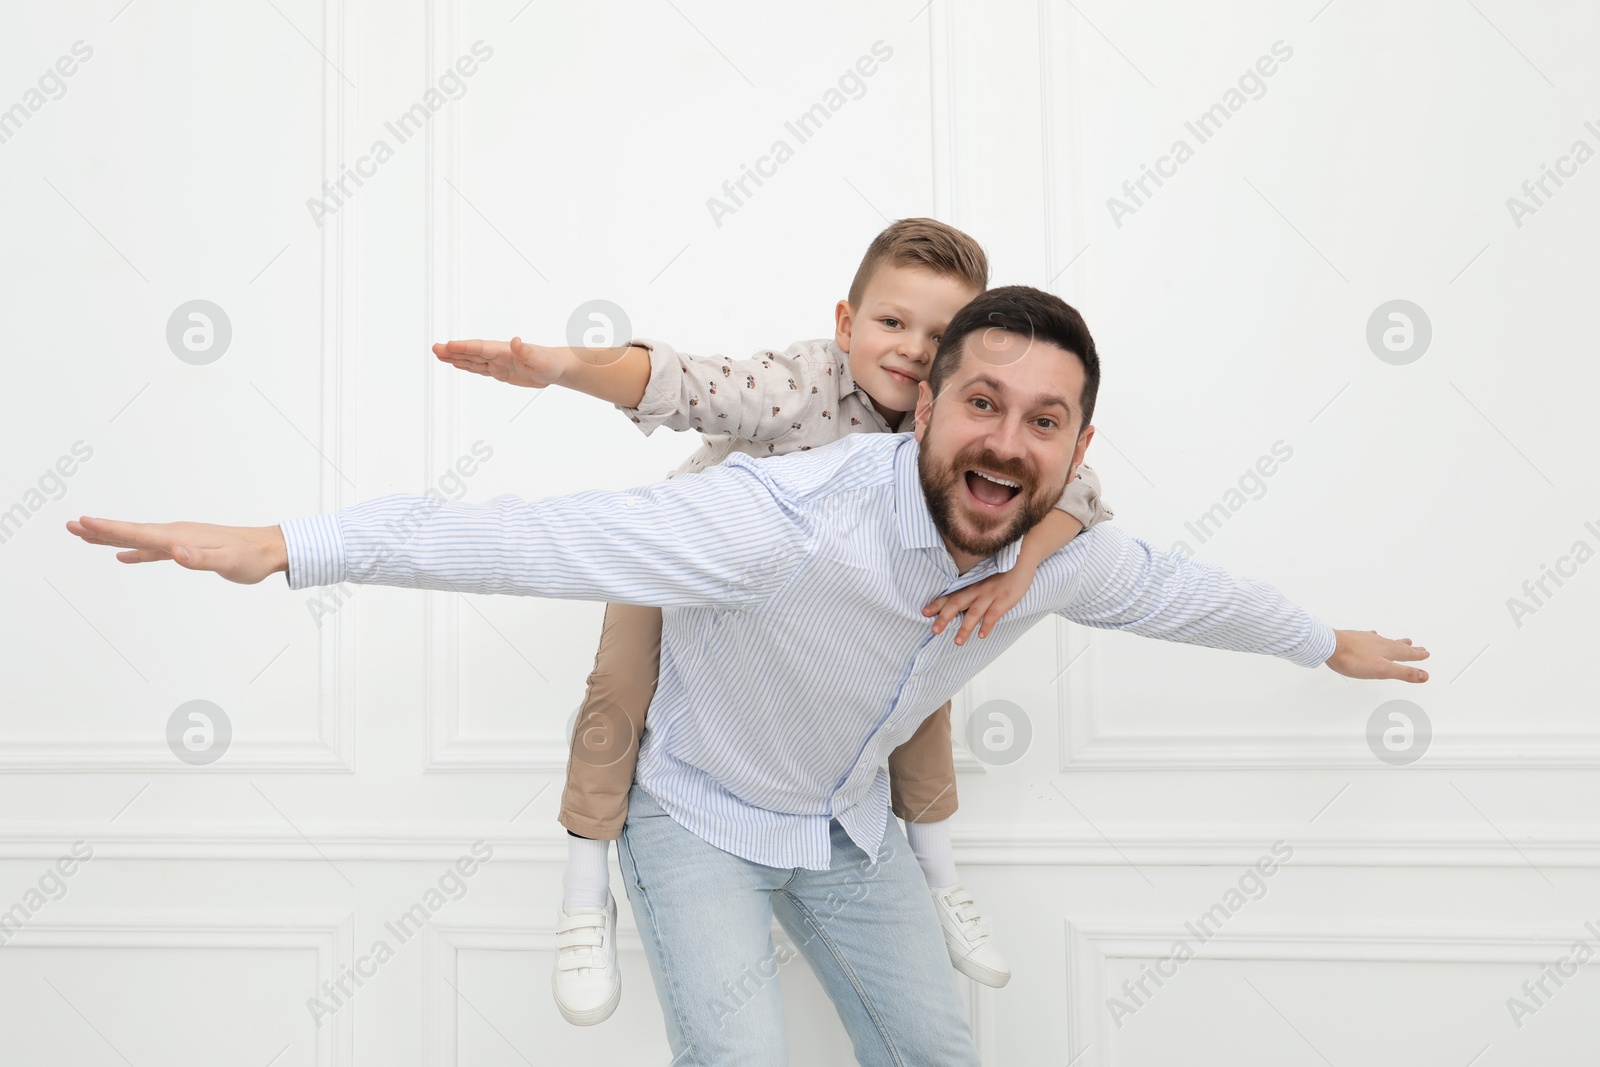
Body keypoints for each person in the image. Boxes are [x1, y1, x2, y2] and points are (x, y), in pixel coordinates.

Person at [68, 285, 1428, 1066]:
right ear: (927, 404)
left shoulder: (1063, 557)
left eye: (1045, 419)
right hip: (701, 816)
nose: (1009, 442)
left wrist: (1331, 641)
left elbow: (1198, 595)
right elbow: (528, 537)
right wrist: (287, 544)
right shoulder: (778, 518)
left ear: (1078, 444)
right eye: (982, 402)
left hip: (849, 830)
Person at [432, 218, 1114, 1021]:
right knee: (618, 687)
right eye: (892, 322)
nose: (911, 349)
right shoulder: (806, 383)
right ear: (845, 324)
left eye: (939, 335)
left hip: (804, 615)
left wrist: (1019, 575)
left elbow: (1080, 489)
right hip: (692, 563)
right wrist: (566, 367)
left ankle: (938, 873)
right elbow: (688, 383)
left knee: (923, 682)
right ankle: (584, 888)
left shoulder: (950, 415)